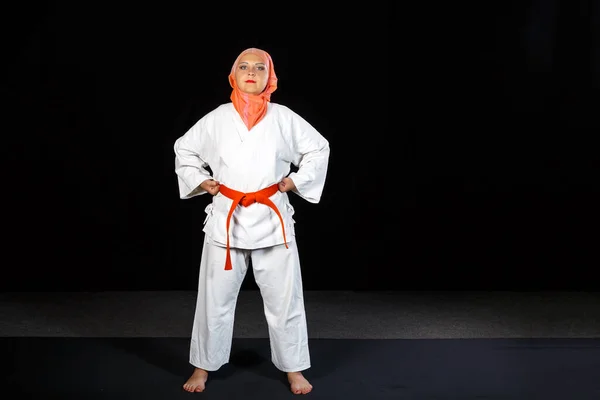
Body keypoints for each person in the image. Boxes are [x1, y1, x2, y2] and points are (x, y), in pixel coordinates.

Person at [173, 47, 330, 395]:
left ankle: (294, 369)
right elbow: (184, 149)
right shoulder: (217, 118)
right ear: (233, 75)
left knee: (285, 301)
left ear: (269, 77)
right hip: (226, 222)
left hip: (272, 222)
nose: (251, 72)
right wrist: (203, 181)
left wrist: (295, 181)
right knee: (213, 301)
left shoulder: (284, 117)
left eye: (260, 67)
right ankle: (202, 367)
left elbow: (319, 148)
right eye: (243, 66)